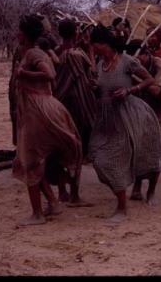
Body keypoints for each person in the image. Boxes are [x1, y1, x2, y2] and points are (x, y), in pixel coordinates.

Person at [11, 15, 83, 226]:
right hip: (36, 110)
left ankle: (37, 214)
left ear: (24, 34)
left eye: (20, 31)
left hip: (38, 111)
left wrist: (23, 73)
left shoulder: (34, 53)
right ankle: (52, 202)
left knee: (30, 160)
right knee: (34, 160)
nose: (18, 34)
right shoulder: (32, 52)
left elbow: (49, 73)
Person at [89, 25, 161, 222]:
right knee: (99, 157)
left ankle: (128, 204)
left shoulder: (127, 61)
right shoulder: (99, 64)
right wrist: (96, 87)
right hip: (107, 119)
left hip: (131, 115)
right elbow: (102, 87)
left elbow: (150, 80)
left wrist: (130, 90)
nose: (92, 48)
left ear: (103, 44)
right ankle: (124, 199)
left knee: (145, 154)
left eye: (94, 44)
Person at [51, 19, 97, 206]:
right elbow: (91, 76)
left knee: (59, 148)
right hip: (78, 108)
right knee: (77, 149)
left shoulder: (54, 53)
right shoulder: (78, 55)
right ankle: (75, 195)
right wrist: (91, 52)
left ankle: (62, 191)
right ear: (76, 33)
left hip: (57, 105)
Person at [125, 39, 161, 202]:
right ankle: (137, 188)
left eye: (138, 60)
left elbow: (155, 91)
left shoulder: (160, 65)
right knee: (140, 151)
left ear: (146, 54)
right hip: (142, 114)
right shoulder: (131, 65)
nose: (136, 64)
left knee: (157, 155)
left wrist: (138, 79)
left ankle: (151, 192)